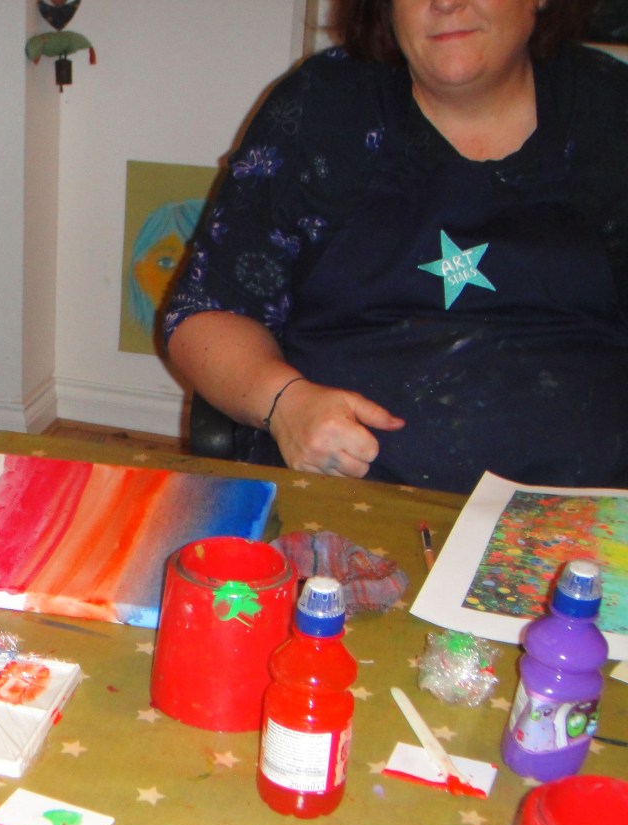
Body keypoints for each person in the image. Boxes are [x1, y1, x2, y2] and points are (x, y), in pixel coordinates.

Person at [165, 0, 628, 493]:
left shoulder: (611, 111)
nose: (445, 3)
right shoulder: (324, 106)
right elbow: (203, 315)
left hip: (586, 516)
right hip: (351, 501)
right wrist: (286, 403)